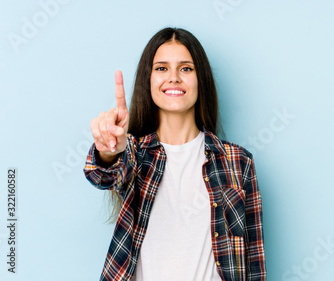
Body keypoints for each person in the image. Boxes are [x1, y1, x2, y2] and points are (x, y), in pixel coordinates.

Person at [83, 27, 267, 281]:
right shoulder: (135, 153)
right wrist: (109, 150)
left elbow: (253, 260)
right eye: (161, 68)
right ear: (148, 80)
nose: (173, 78)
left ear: (200, 79)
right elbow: (103, 176)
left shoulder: (237, 161)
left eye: (186, 68)